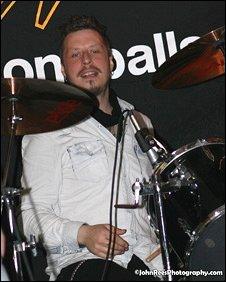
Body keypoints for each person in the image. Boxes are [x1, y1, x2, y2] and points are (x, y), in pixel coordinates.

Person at [20, 15, 163, 281]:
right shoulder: (47, 129)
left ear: (110, 61)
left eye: (94, 51)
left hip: (150, 262)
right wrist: (83, 233)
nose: (86, 61)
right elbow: (30, 218)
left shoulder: (140, 122)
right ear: (63, 69)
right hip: (84, 262)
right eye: (75, 55)